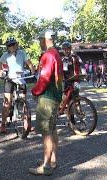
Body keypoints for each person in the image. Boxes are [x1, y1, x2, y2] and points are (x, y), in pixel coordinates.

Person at [29, 30, 63, 176]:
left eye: (40, 40)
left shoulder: (48, 55)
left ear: (45, 40)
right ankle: (52, 160)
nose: (39, 42)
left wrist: (35, 91)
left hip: (48, 97)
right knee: (53, 129)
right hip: (55, 96)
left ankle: (46, 166)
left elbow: (45, 77)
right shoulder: (56, 53)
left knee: (46, 133)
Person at [0, 37, 36, 133]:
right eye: (10, 45)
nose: (12, 47)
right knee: (7, 103)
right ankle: (3, 124)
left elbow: (29, 64)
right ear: (7, 47)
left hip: (21, 79)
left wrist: (33, 72)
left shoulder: (22, 53)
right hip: (10, 79)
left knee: (24, 101)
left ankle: (27, 124)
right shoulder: (6, 55)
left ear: (17, 44)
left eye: (14, 44)